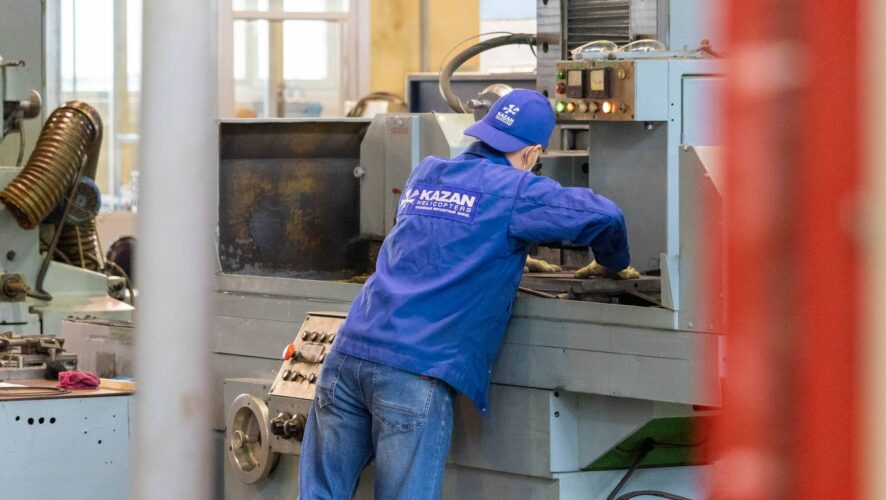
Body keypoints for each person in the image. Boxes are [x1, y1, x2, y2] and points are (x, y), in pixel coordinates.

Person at [299, 89, 637, 499]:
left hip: (346, 357)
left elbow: (430, 238)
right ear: (532, 153)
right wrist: (612, 264)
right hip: (413, 371)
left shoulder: (426, 171)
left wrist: (504, 253)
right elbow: (606, 216)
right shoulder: (517, 190)